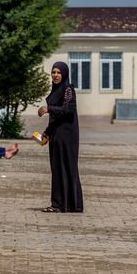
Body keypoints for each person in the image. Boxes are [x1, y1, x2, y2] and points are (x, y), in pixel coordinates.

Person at [38, 62, 83, 213]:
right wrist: (47, 132)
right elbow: (56, 118)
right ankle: (62, 204)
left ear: (64, 74)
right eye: (53, 72)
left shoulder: (68, 90)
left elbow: (68, 110)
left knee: (68, 167)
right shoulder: (56, 90)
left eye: (58, 72)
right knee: (57, 169)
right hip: (57, 135)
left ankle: (66, 204)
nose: (56, 75)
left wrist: (48, 108)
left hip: (68, 136)